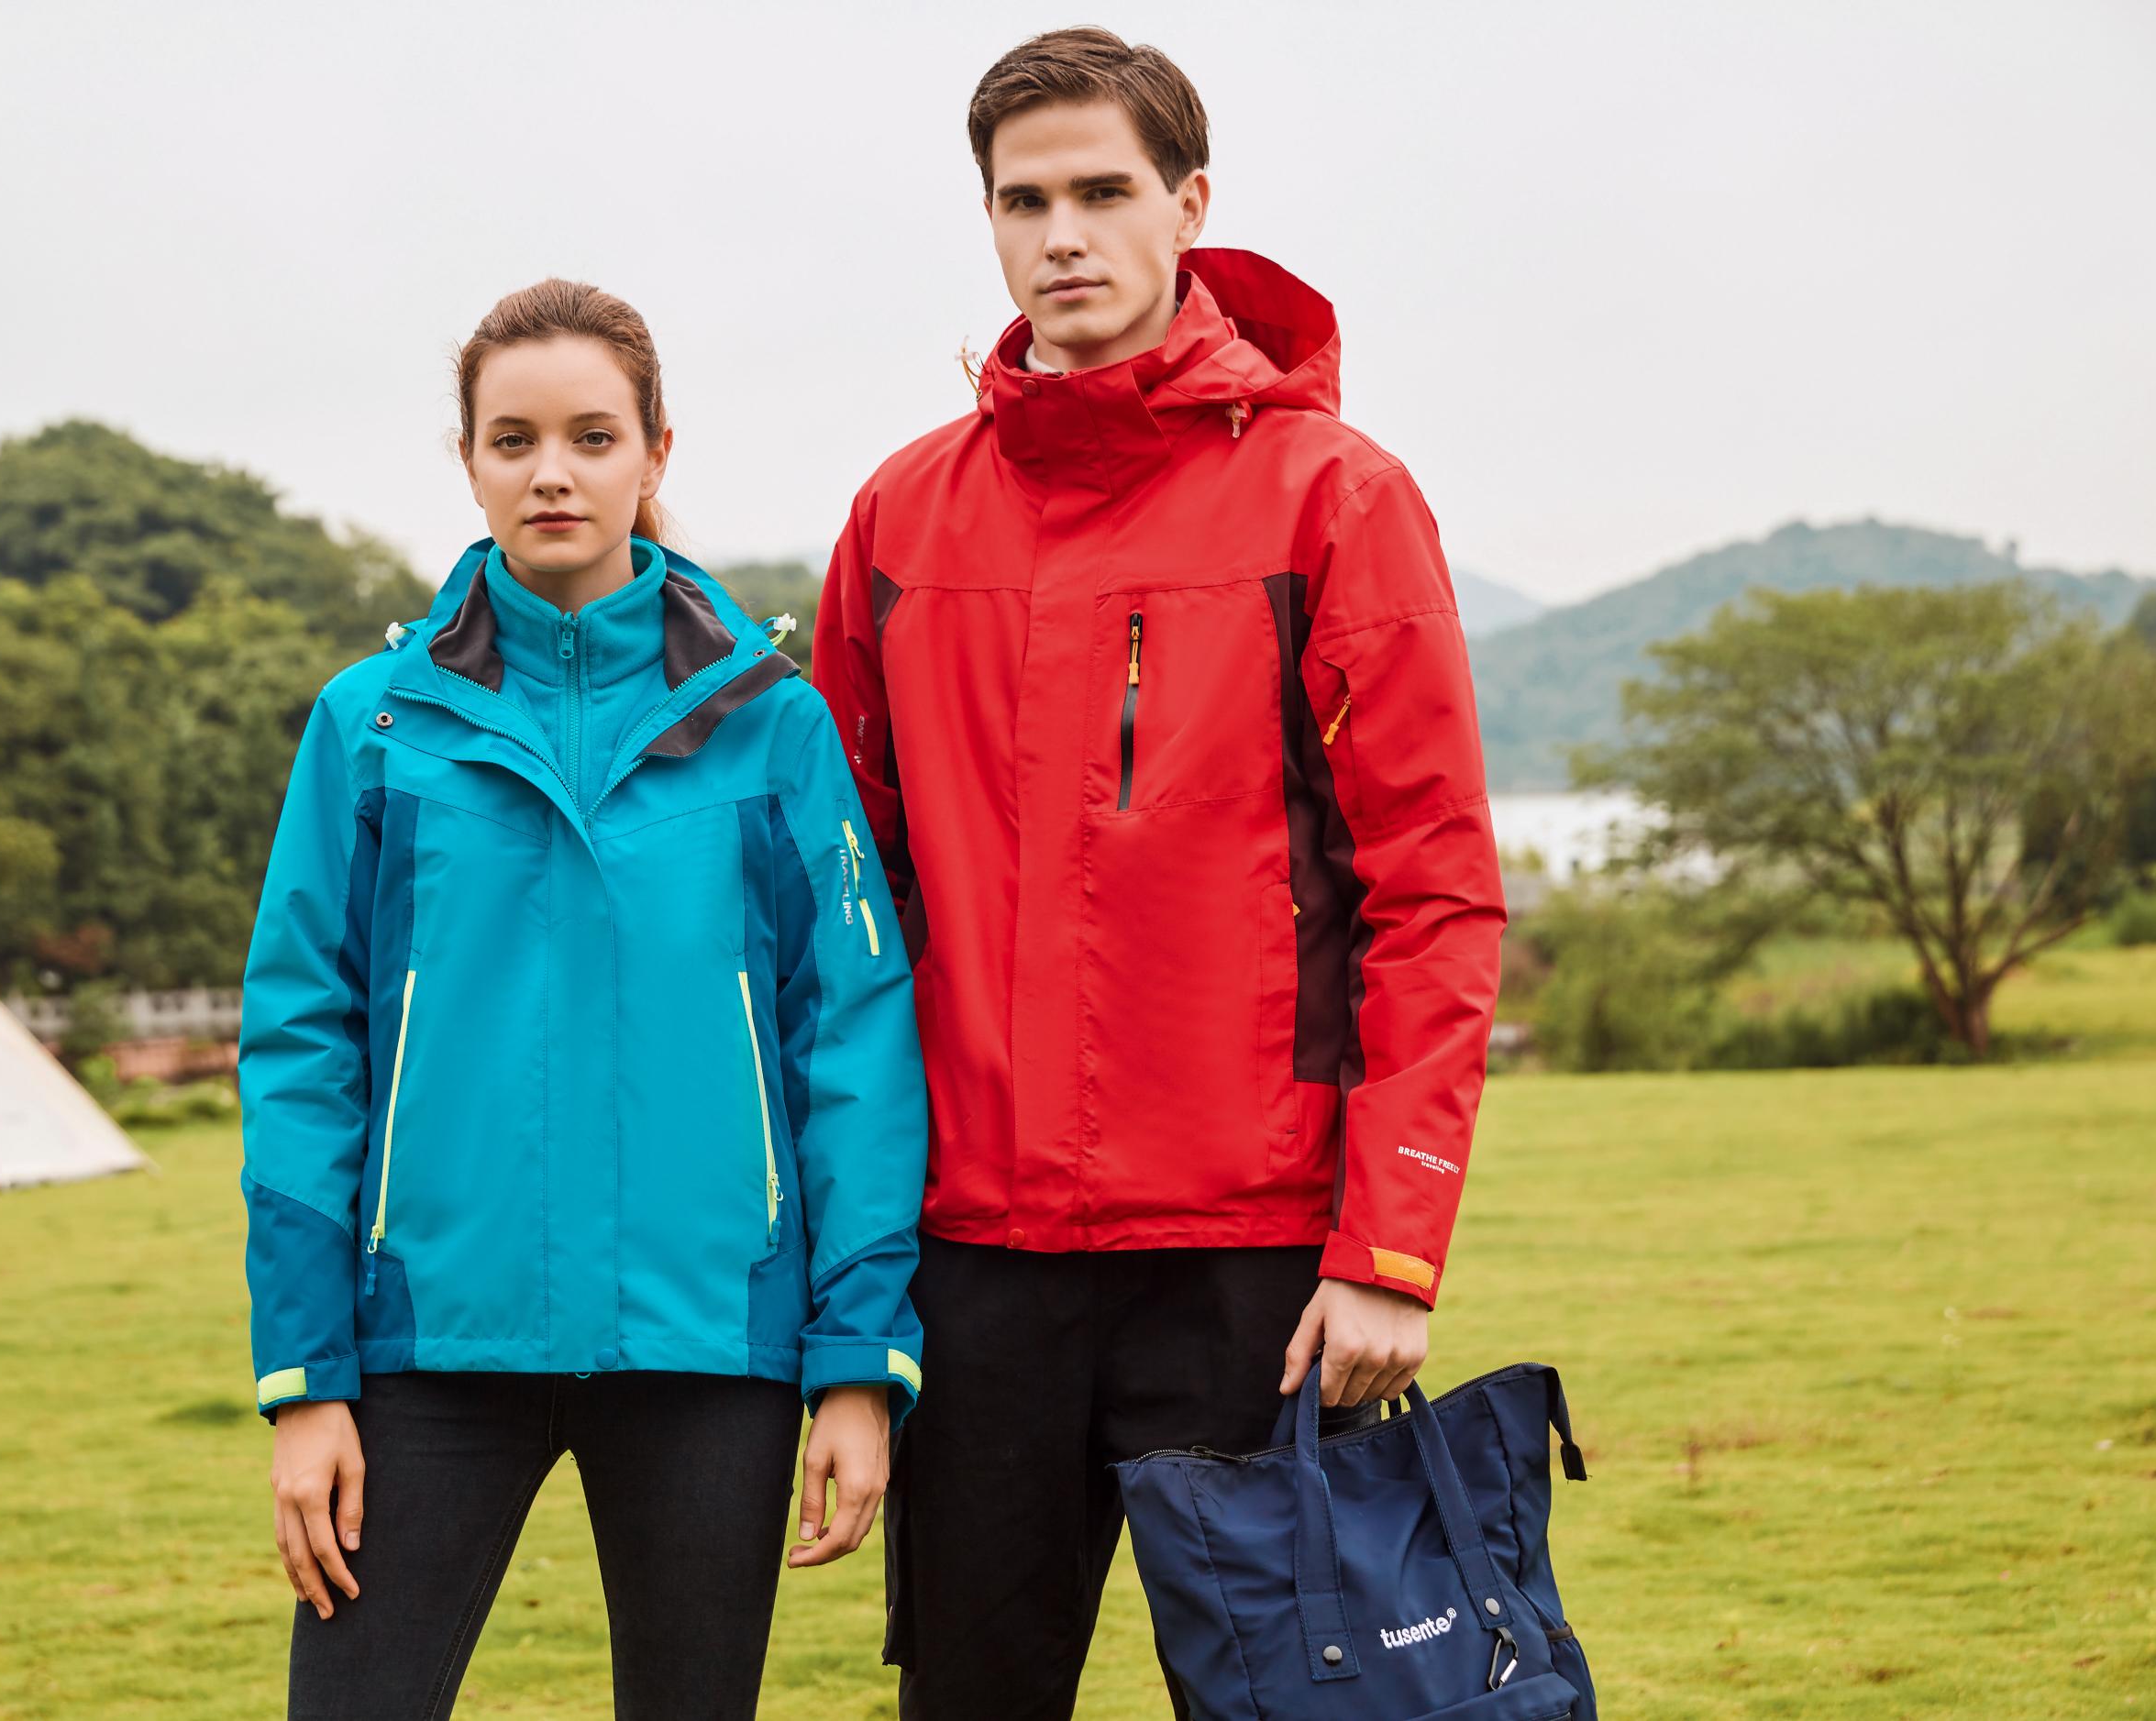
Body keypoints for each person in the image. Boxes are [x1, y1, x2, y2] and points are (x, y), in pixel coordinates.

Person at [809, 28, 1506, 1718]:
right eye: (1023, 200)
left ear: (1189, 205)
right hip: (975, 1262)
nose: (1064, 236)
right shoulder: (899, 520)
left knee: (1300, 1699)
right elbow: (841, 918)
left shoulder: (1337, 500)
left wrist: (1391, 1244)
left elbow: (1432, 893)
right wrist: (846, 1286)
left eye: (1104, 191)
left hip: (1255, 1263)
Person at [239, 278, 928, 1720]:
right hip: (425, 1342)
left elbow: (855, 1043)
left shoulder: (771, 725)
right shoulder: (372, 725)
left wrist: (859, 1360)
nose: (551, 471)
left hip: (708, 1342)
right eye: (514, 439)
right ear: (469, 461)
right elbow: (302, 1044)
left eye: (592, 436)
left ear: (655, 452)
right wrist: (306, 1376)